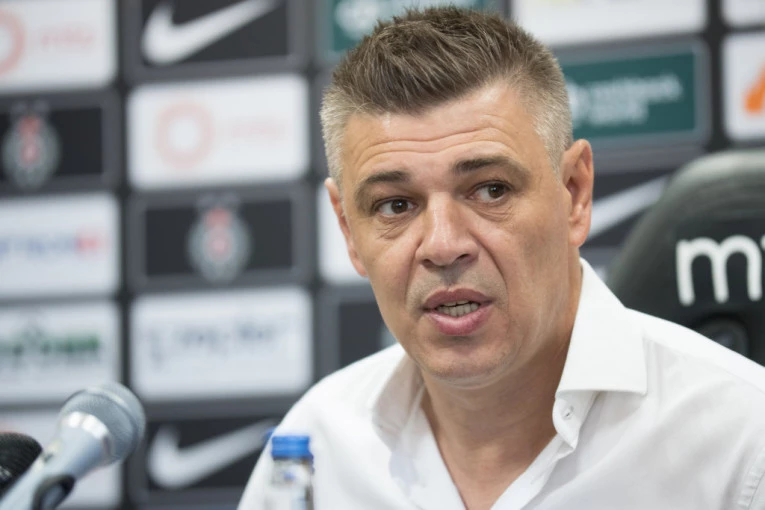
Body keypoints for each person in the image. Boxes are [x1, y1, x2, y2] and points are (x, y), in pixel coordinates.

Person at [238, 7, 765, 510]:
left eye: (491, 190)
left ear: (574, 193)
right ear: (349, 230)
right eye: (395, 205)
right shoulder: (315, 447)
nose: (443, 245)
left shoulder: (744, 443)